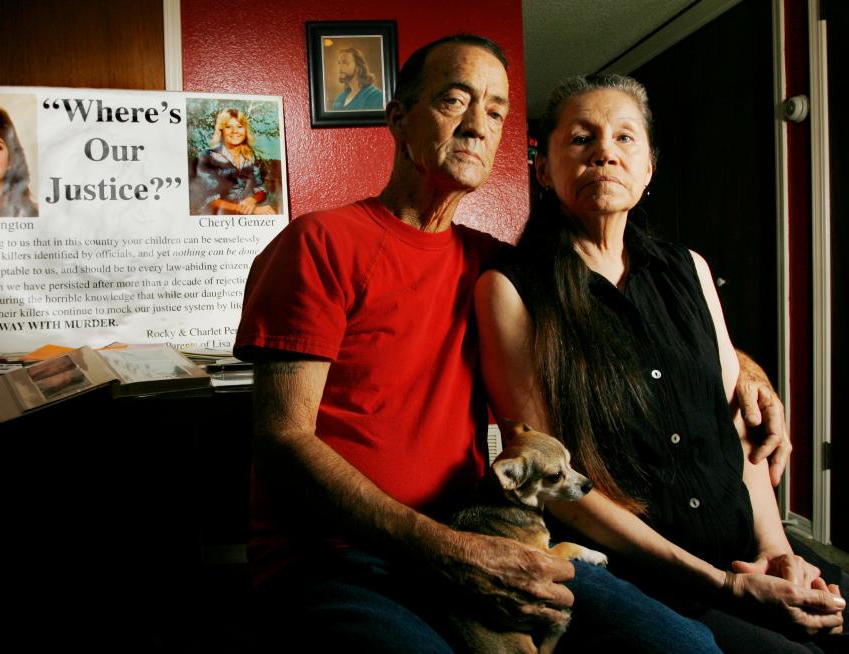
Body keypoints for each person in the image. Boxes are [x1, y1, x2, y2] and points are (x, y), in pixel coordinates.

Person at [234, 35, 790, 653]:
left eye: (495, 112)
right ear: (399, 118)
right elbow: (282, 439)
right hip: (340, 557)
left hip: (484, 535)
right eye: (454, 100)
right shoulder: (320, 242)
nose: (477, 126)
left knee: (685, 647)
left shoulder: (495, 268)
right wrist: (450, 550)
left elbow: (639, 338)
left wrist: (745, 371)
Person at [474, 73, 846, 653]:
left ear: (648, 167)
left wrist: (779, 554)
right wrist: (725, 586)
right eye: (581, 138)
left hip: (740, 557)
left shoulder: (689, 269)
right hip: (634, 575)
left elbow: (735, 426)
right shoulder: (511, 289)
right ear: (543, 169)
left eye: (625, 138)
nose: (604, 152)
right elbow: (550, 480)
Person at [190, 108, 276, 215]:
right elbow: (209, 198)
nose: (234, 131)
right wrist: (251, 210)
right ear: (221, 131)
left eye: (239, 126)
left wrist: (252, 200)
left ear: (245, 130)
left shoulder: (249, 156)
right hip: (215, 218)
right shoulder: (208, 156)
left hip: (242, 216)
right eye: (228, 127)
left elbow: (260, 189)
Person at [330, 47, 385, 111]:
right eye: (339, 63)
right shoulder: (339, 98)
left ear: (358, 67)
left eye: (345, 62)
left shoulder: (375, 96)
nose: (340, 67)